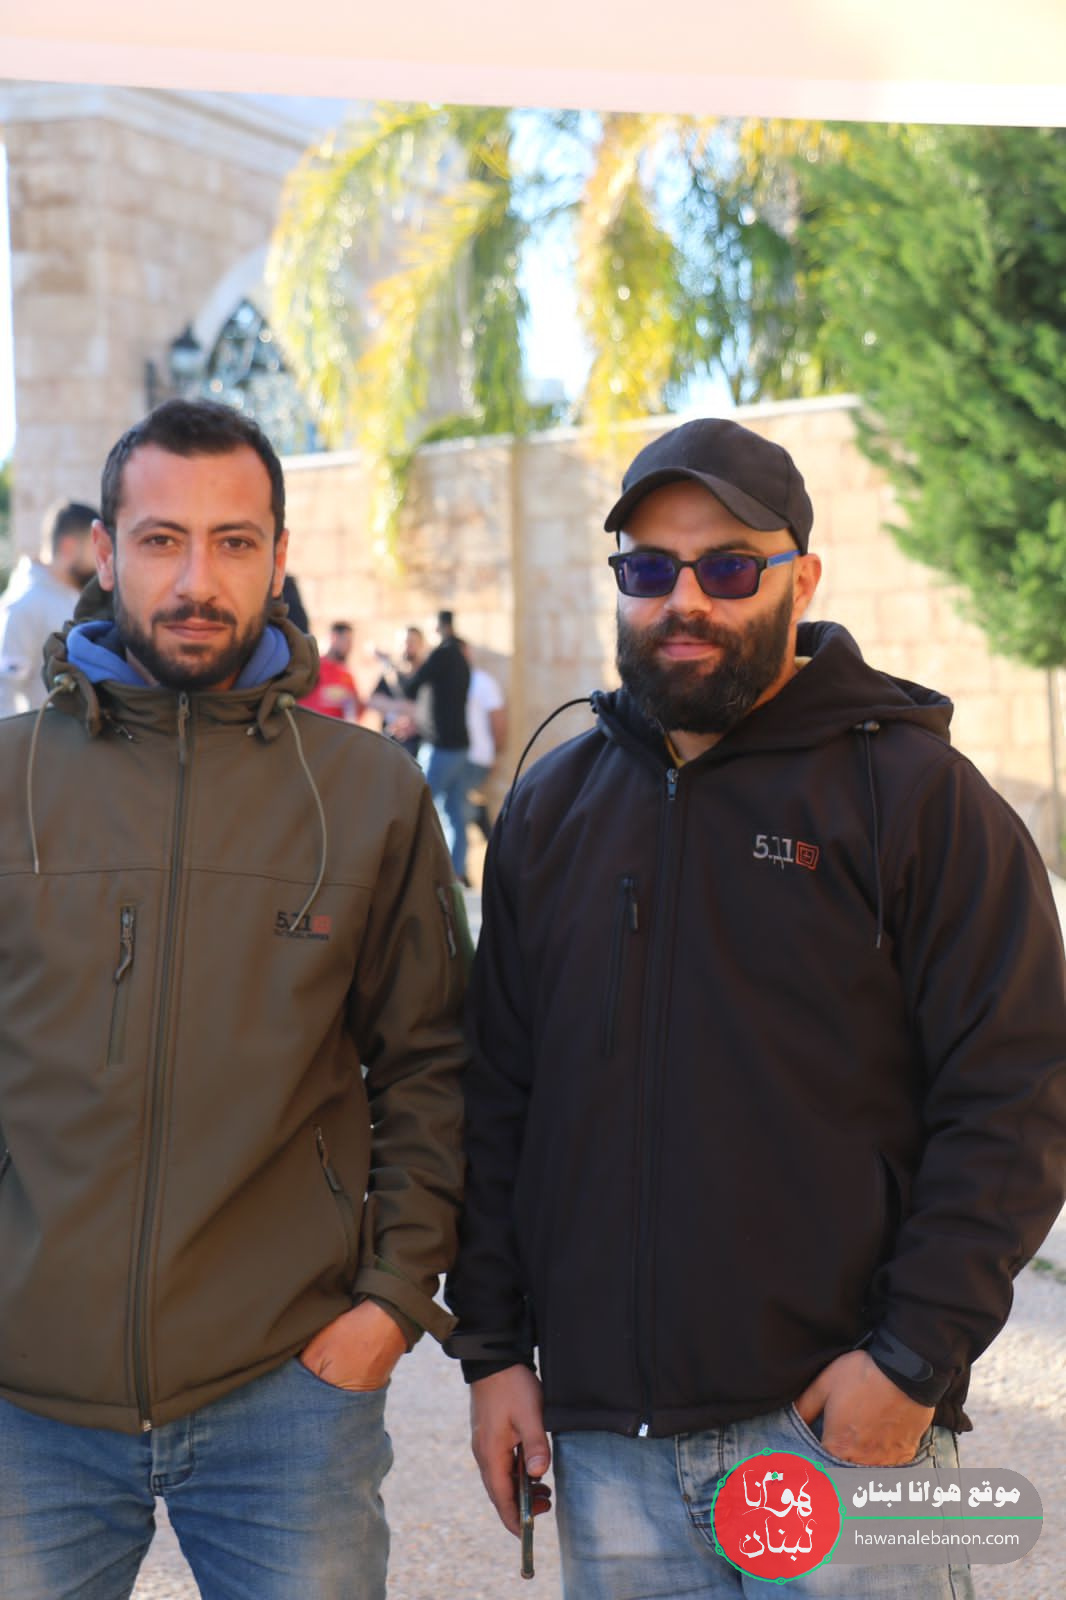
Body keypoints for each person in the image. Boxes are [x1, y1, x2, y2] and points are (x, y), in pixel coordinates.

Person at [445, 417, 1066, 1599]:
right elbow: (499, 1097)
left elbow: (1017, 1093)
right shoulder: (550, 807)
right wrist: (491, 1352)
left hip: (840, 1435)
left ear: (801, 580)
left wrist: (911, 1362)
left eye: (728, 567)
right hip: (609, 1454)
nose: (684, 599)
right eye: (648, 568)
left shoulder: (918, 798)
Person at [0, 399, 468, 1600]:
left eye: (234, 541)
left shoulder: (367, 792)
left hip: (287, 1399)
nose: (196, 579)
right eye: (161, 539)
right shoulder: (10, 781)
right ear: (105, 553)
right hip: (24, 1405)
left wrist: (390, 1302)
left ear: (278, 555)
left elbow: (434, 1062)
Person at [0, 498, 97, 715]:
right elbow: (4, 692)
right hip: (42, 736)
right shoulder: (24, 604)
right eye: (95, 549)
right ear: (69, 547)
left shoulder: (74, 595)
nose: (101, 562)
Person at [398, 608, 471, 882]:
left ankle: (413, 873)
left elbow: (410, 686)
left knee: (418, 807)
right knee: (453, 813)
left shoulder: (442, 655)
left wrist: (389, 667)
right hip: (459, 746)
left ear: (437, 628)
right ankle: (455, 874)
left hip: (441, 747)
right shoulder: (461, 658)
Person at [461, 643, 507, 843]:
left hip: (477, 757)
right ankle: (477, 813)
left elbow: (498, 719)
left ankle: (477, 813)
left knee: (451, 804)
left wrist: (494, 752)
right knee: (451, 804)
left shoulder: (481, 681)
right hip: (459, 756)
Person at [369, 624, 427, 758]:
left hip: (419, 746)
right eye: (404, 642)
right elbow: (373, 701)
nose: (407, 646)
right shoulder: (391, 673)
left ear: (421, 645)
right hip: (391, 744)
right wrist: (399, 707)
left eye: (412, 642)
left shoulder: (427, 675)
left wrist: (415, 721)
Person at [300, 619, 364, 720]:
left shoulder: (347, 675)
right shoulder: (313, 665)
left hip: (336, 728)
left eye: (350, 642)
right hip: (308, 724)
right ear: (334, 637)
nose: (349, 647)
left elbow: (356, 710)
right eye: (346, 641)